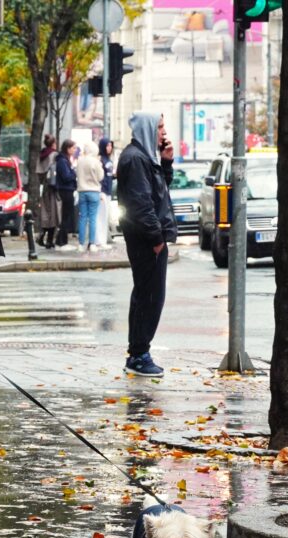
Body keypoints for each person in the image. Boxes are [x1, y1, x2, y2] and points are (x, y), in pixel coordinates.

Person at [116, 112, 177, 377]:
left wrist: (166, 164)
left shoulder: (145, 157)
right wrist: (156, 239)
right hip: (146, 240)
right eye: (159, 127)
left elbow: (159, 191)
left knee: (148, 295)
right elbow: (141, 203)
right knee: (149, 297)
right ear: (148, 129)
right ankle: (139, 354)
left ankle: (139, 352)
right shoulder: (135, 159)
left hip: (150, 238)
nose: (163, 132)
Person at [76, 141, 104, 251]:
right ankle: (92, 243)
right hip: (94, 191)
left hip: (82, 191)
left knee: (82, 217)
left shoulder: (80, 161)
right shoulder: (95, 161)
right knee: (92, 218)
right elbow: (100, 177)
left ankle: (81, 243)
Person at [35, 135, 60, 249]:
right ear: (53, 144)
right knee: (54, 214)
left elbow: (39, 172)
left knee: (46, 213)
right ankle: (49, 240)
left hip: (44, 186)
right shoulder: (54, 155)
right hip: (53, 187)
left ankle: (42, 234)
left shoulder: (41, 155)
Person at [54, 139, 78, 248]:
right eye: (73, 148)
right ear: (68, 148)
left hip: (67, 189)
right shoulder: (63, 161)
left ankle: (61, 240)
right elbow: (66, 176)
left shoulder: (65, 160)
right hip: (66, 190)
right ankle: (62, 241)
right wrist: (74, 174)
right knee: (66, 216)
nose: (74, 150)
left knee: (66, 216)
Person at [97, 138, 114, 247]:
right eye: (107, 146)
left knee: (105, 217)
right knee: (101, 217)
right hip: (102, 191)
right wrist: (100, 191)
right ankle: (100, 241)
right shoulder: (101, 159)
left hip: (108, 191)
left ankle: (103, 240)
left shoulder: (109, 160)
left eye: (110, 145)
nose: (110, 148)